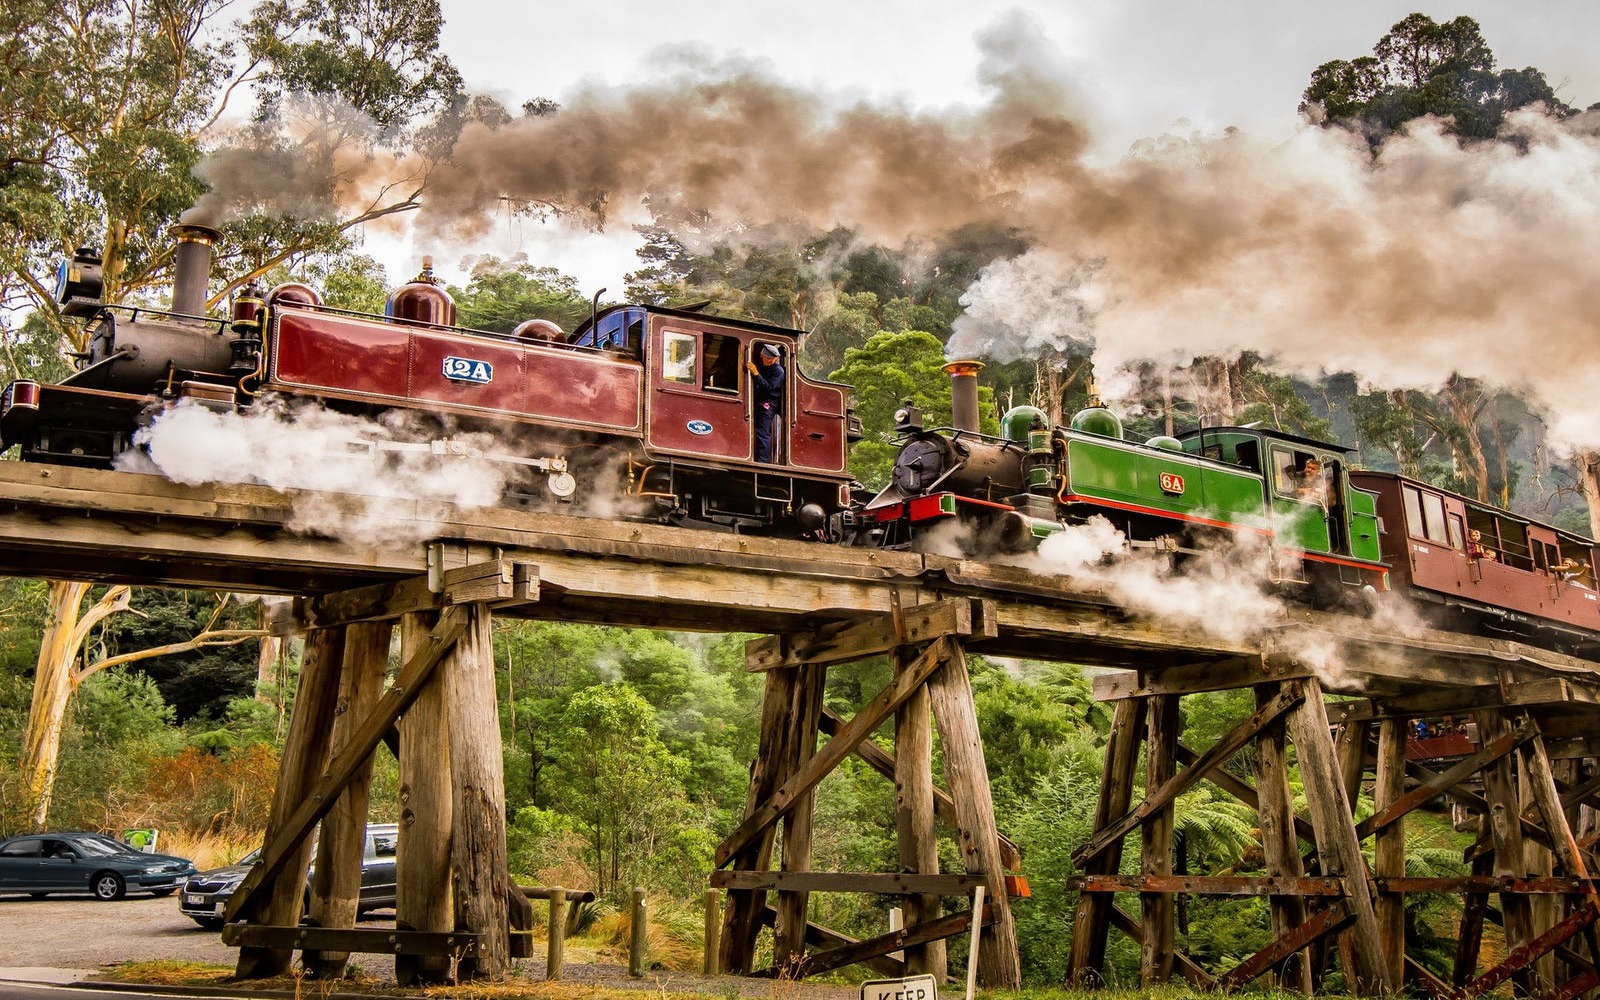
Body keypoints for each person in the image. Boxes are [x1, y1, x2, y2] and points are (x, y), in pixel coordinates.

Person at [747, 343, 785, 463]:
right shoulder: (760, 365)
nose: (769, 361)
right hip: (758, 400)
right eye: (767, 358)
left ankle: (762, 462)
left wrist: (756, 373)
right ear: (761, 355)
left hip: (769, 403)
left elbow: (768, 387)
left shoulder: (778, 371)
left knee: (762, 432)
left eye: (772, 359)